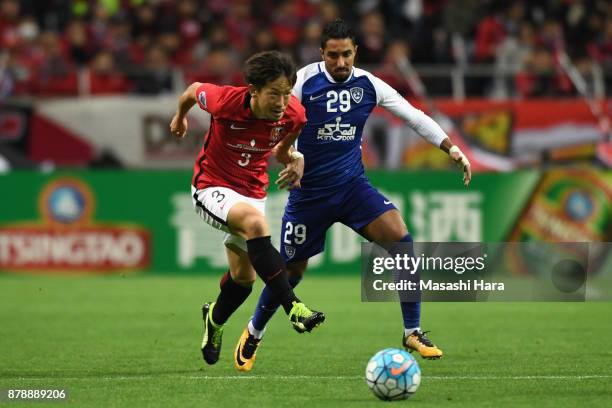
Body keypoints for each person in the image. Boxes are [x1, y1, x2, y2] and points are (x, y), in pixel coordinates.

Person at [234, 19, 472, 372]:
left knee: (400, 239)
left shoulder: (369, 85)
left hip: (352, 188)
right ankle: (254, 332)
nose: (341, 62)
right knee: (289, 273)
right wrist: (293, 156)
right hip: (309, 195)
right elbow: (278, 130)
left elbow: (414, 116)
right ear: (322, 54)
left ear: (355, 52)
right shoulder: (301, 83)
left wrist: (451, 149)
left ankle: (413, 331)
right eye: (333, 55)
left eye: (346, 54)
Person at [169, 50, 325, 367]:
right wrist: (180, 116)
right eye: (273, 94)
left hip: (252, 191)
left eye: (286, 93)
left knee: (243, 281)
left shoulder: (295, 115)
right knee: (256, 225)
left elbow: (284, 150)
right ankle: (294, 307)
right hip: (211, 185)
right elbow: (189, 91)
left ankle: (213, 320)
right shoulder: (224, 101)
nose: (282, 102)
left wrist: (297, 161)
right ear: (253, 90)